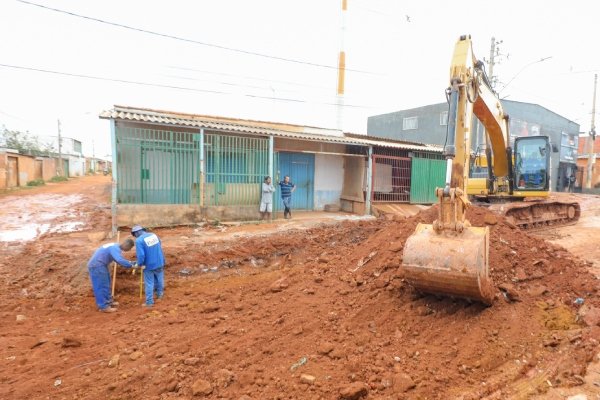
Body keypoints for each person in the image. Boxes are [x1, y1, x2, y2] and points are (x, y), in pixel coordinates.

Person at [87, 239, 135, 313]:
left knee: (106, 283)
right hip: (97, 265)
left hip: (101, 265)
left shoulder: (115, 246)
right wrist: (131, 265)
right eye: (130, 248)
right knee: (101, 286)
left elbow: (117, 259)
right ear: (127, 245)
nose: (129, 250)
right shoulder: (115, 248)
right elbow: (119, 260)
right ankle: (103, 306)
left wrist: (131, 263)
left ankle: (108, 302)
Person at [131, 225, 165, 308]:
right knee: (159, 279)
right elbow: (159, 244)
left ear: (136, 233)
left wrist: (139, 264)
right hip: (160, 261)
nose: (135, 236)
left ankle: (149, 302)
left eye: (134, 235)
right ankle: (160, 295)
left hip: (149, 265)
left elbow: (141, 255)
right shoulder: (154, 235)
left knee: (149, 283)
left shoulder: (139, 241)